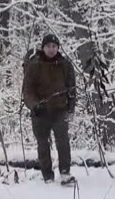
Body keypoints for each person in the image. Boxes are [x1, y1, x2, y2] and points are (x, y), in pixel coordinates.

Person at [21, 34, 77, 184]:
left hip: (60, 110)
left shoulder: (65, 65)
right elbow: (27, 90)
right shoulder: (34, 65)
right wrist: (35, 106)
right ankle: (47, 176)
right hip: (40, 112)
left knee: (63, 141)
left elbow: (71, 88)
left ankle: (65, 172)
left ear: (58, 48)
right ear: (43, 48)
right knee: (43, 143)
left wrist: (71, 108)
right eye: (48, 46)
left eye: (54, 46)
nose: (51, 49)